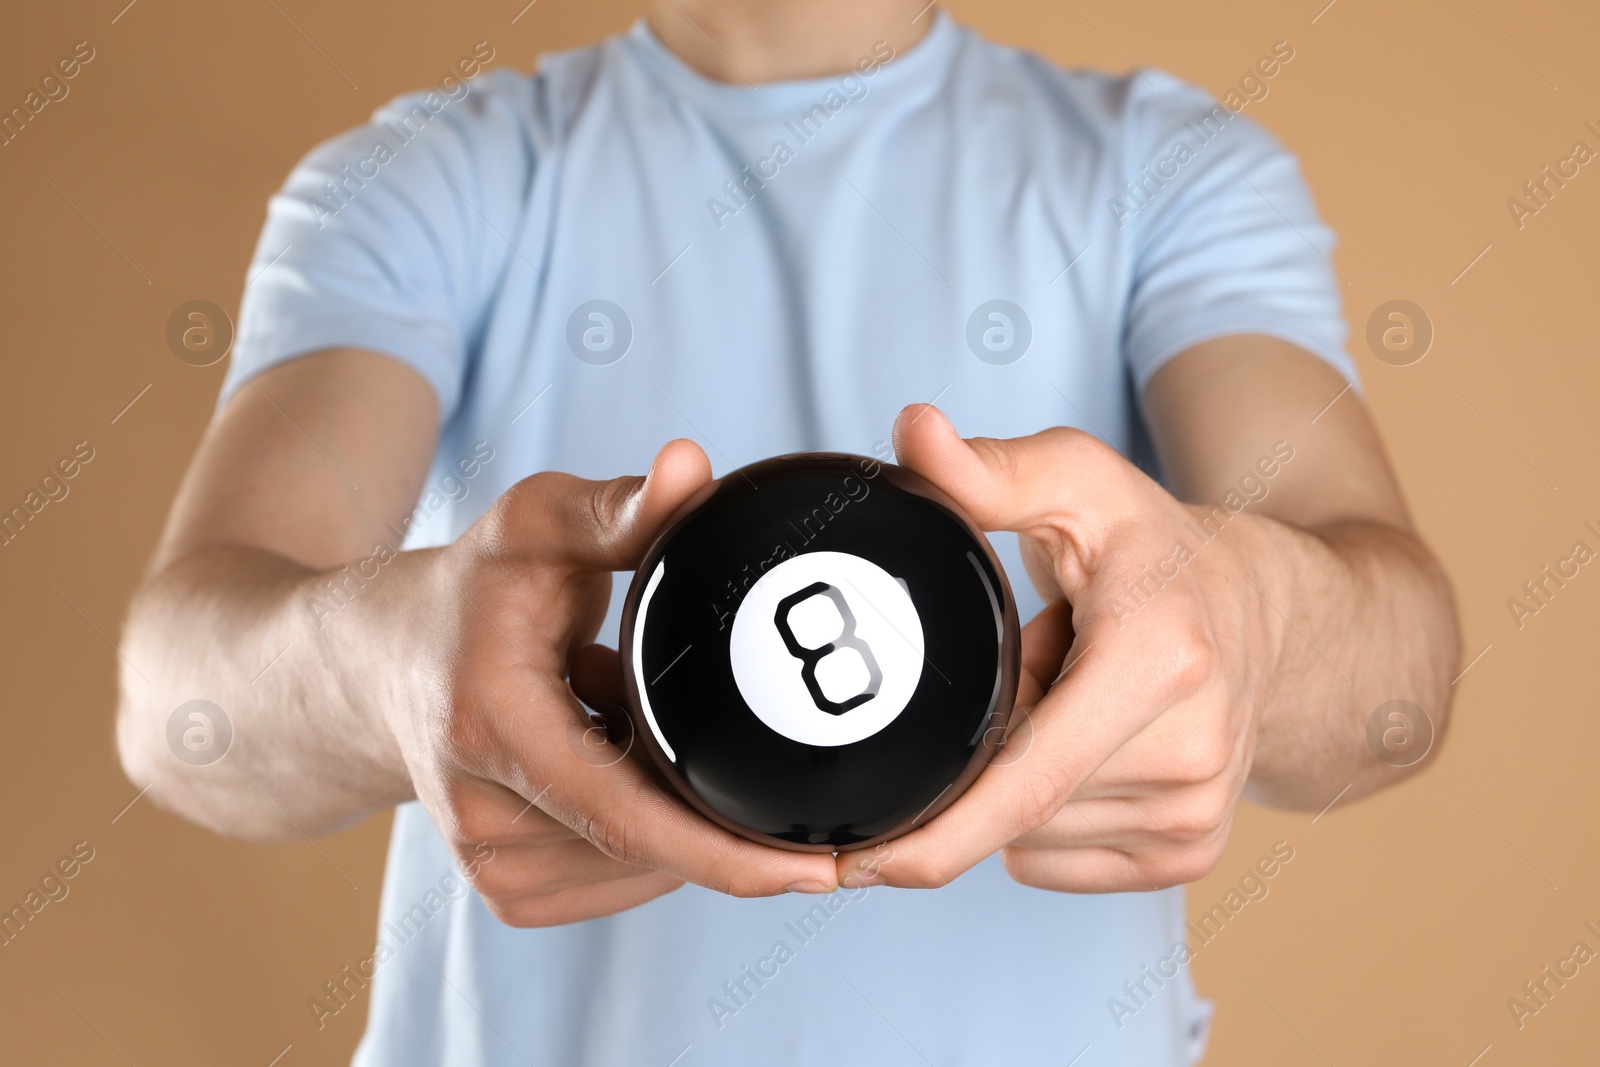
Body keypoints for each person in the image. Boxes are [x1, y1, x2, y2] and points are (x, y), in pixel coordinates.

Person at [116, 1, 1459, 1063]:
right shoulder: (420, 181)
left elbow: (1398, 671)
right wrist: (381, 668)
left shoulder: (1171, 171)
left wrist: (1251, 618)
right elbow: (179, 696)